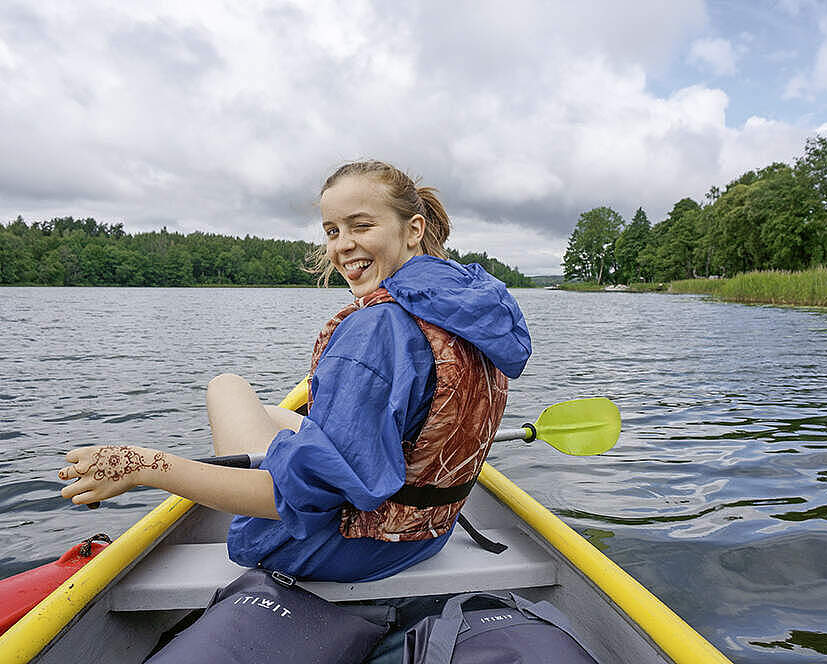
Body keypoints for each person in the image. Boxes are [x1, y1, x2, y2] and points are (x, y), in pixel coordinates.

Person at [58, 160, 532, 583]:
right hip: (430, 532)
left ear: (413, 229)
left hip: (352, 547)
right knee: (265, 411)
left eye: (361, 225)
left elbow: (288, 498)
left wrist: (143, 466)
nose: (343, 245)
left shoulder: (376, 332)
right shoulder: (467, 303)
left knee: (226, 387)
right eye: (332, 231)